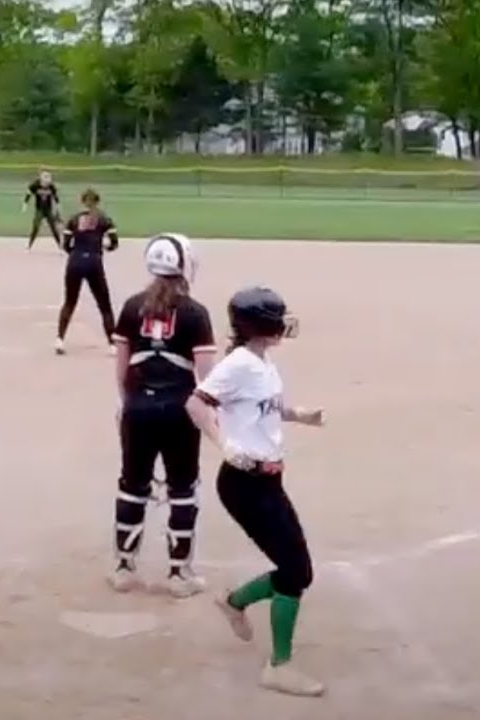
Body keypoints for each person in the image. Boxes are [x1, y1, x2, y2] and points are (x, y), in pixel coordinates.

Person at [184, 286, 327, 697]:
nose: (284, 323)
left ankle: (233, 602)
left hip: (268, 480)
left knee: (294, 568)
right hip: (245, 484)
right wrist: (224, 445)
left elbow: (264, 405)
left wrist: (298, 415)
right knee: (296, 571)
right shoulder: (239, 364)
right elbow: (197, 405)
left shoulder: (262, 363)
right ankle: (279, 666)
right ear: (259, 325)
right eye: (277, 317)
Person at [107, 233, 218, 598]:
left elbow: (122, 365)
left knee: (132, 485)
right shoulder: (195, 313)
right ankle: (178, 574)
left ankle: (124, 567)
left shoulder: (131, 306)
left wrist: (128, 402)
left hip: (138, 409)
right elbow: (206, 375)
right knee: (183, 488)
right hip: (179, 411)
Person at [54, 188, 119, 355]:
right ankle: (112, 344)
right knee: (104, 304)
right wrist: (101, 246)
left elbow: (66, 245)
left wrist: (76, 253)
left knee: (69, 302)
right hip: (94, 262)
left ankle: (60, 340)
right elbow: (113, 244)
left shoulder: (74, 219)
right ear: (97, 202)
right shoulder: (104, 219)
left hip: (75, 261)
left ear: (82, 201)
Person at [23, 169, 61, 250]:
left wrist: (58, 207)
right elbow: (28, 193)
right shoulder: (35, 185)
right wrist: (25, 204)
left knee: (53, 227)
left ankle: (60, 245)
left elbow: (56, 197)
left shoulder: (51, 186)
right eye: (45, 181)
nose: (46, 184)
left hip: (48, 210)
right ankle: (29, 245)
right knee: (36, 226)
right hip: (39, 209)